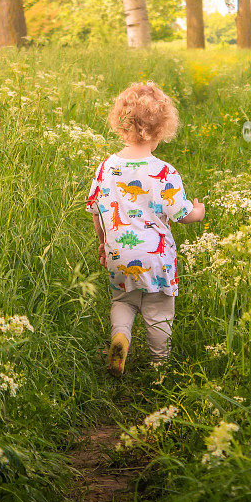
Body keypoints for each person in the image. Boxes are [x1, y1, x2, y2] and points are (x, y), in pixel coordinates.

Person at [86, 81, 205, 376]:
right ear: (161, 129)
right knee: (158, 310)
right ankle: (159, 363)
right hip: (157, 259)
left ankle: (120, 337)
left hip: (118, 254)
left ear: (121, 124)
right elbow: (180, 213)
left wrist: (103, 243)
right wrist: (197, 212)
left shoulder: (106, 168)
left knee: (123, 301)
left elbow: (96, 210)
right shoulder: (164, 171)